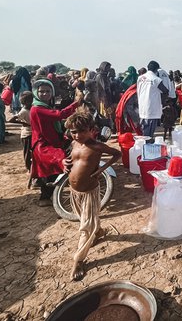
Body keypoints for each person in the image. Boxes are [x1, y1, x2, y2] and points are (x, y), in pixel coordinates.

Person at [63, 108, 120, 281]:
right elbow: (71, 161)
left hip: (89, 191)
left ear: (91, 130)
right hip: (74, 192)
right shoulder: (74, 144)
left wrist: (102, 170)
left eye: (82, 131)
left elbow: (117, 154)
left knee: (85, 227)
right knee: (85, 218)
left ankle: (78, 260)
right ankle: (99, 231)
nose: (77, 135)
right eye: (74, 132)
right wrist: (64, 164)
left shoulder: (97, 146)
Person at [30, 79, 81, 205]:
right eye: (41, 91)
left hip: (54, 139)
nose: (45, 94)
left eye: (48, 91)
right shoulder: (37, 109)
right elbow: (59, 115)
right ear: (36, 92)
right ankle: (45, 197)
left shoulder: (46, 106)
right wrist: (76, 104)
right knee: (59, 160)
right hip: (43, 144)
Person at [137, 61, 168, 142]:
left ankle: (144, 146)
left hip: (142, 107)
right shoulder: (156, 79)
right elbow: (165, 91)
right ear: (156, 69)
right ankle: (147, 148)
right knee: (149, 134)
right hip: (152, 108)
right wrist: (163, 102)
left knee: (144, 130)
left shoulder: (140, 78)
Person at [9, 91, 34, 171]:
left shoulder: (32, 108)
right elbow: (11, 120)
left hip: (33, 133)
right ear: (25, 102)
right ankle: (28, 167)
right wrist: (24, 123)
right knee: (27, 151)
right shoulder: (24, 111)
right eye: (30, 100)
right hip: (27, 134)